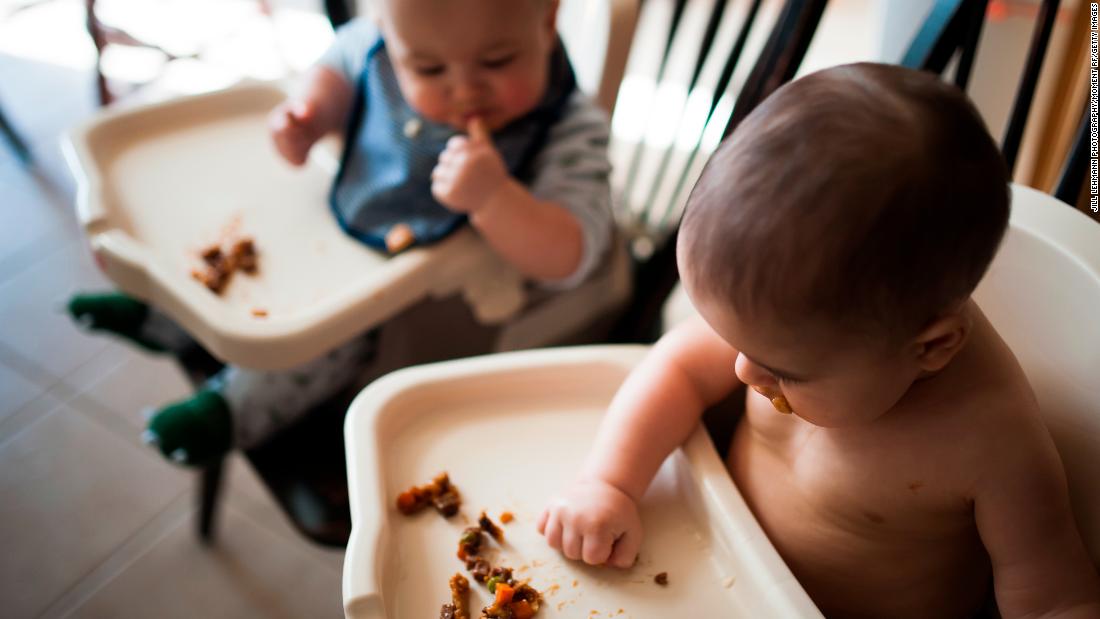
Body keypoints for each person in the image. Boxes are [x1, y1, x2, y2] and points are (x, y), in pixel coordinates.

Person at [538, 63, 1100, 618]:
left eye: (783, 372)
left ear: (931, 347)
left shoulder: (989, 439)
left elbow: (1055, 598)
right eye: (733, 341)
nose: (741, 372)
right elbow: (676, 371)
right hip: (710, 568)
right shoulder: (793, 328)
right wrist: (609, 483)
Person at [69, 0, 614, 466]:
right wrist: (311, 115)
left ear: (547, 20)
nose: (464, 89)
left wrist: (496, 199)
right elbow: (339, 61)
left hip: (430, 304)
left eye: (497, 60)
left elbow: (571, 255)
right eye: (426, 68)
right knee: (260, 249)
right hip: (345, 231)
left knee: (328, 338)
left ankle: (235, 410)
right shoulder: (378, 42)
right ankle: (163, 315)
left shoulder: (570, 128)